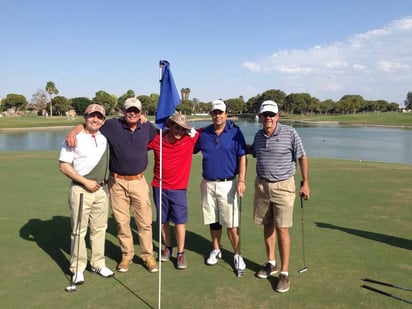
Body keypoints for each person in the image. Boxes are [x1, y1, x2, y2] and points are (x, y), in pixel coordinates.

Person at [65, 97, 159, 273]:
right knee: (122, 222)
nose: (132, 113)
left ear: (141, 113)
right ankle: (127, 255)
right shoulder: (112, 126)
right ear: (123, 111)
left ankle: (147, 255)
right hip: (117, 182)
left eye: (136, 111)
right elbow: (88, 125)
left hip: (139, 181)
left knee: (144, 221)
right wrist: (72, 132)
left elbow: (163, 136)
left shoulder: (147, 127)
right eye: (129, 110)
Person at [250, 100, 310, 293]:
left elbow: (302, 157)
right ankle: (271, 263)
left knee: (282, 229)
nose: (268, 118)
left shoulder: (290, 133)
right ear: (260, 117)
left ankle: (284, 273)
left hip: (284, 186)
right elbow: (252, 151)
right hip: (262, 185)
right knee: (267, 225)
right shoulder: (258, 136)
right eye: (265, 115)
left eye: (271, 115)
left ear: (277, 116)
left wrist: (305, 183)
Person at [59, 103, 114, 285]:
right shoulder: (73, 139)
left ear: (103, 120)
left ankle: (97, 263)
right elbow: (64, 166)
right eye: (92, 116)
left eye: (99, 117)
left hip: (101, 190)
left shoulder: (105, 137)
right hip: (81, 190)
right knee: (79, 231)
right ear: (85, 117)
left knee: (99, 229)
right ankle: (77, 268)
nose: (95, 119)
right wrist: (85, 182)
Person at [194, 99, 247, 273]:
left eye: (221, 112)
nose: (218, 115)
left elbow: (242, 157)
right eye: (215, 112)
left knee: (231, 223)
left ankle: (237, 254)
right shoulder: (204, 134)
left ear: (226, 114)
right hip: (208, 183)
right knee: (214, 221)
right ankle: (216, 249)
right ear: (211, 114)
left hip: (228, 184)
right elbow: (185, 142)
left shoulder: (235, 132)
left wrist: (241, 180)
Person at [147, 113, 199, 269]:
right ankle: (168, 247)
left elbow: (212, 130)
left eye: (183, 129)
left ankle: (181, 253)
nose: (179, 131)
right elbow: (138, 144)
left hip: (179, 189)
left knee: (179, 221)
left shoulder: (190, 139)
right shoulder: (158, 139)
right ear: (169, 125)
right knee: (162, 220)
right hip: (160, 186)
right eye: (176, 127)